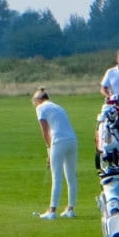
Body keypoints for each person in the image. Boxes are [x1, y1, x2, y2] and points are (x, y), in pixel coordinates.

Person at [31, 88, 78, 220]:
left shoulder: (41, 108)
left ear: (39, 99)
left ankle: (52, 211)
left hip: (58, 141)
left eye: (34, 100)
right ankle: (70, 209)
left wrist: (49, 148)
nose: (34, 103)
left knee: (56, 177)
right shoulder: (58, 107)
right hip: (72, 140)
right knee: (71, 176)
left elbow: (44, 129)